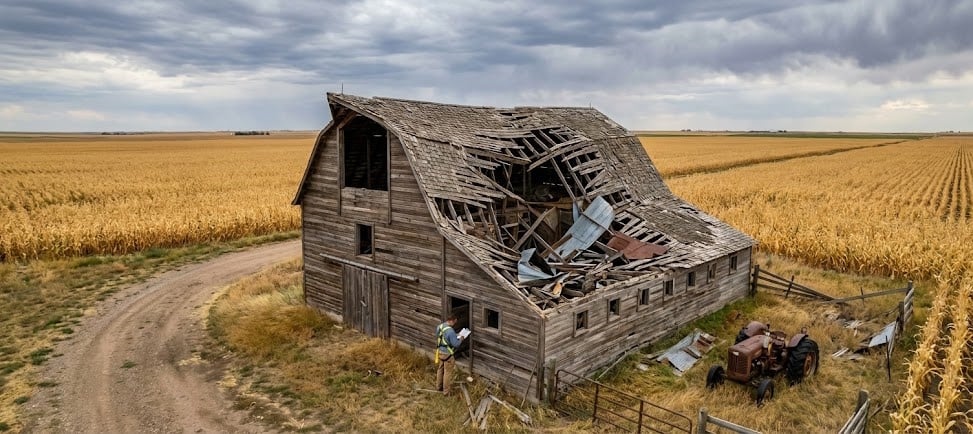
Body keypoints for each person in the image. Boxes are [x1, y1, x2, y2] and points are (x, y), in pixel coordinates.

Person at [435, 314, 465, 395]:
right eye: (455, 322)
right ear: (452, 320)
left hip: (440, 352)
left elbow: (440, 337)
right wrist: (461, 339)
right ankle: (446, 391)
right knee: (447, 373)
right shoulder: (450, 331)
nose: (455, 323)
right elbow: (456, 344)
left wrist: (456, 335)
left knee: (440, 369)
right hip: (447, 354)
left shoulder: (440, 326)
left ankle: (438, 387)